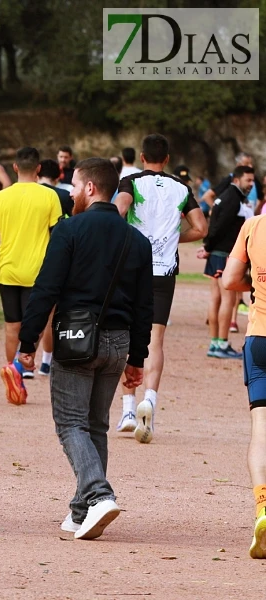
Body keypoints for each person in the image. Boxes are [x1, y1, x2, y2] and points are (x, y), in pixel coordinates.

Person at [18, 158, 153, 540]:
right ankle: (81, 512)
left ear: (91, 188)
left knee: (70, 424)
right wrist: (137, 358)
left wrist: (28, 341)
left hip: (78, 339)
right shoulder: (137, 240)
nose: (71, 193)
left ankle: (98, 494)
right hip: (119, 341)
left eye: (75, 186)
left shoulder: (70, 230)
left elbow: (47, 289)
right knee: (95, 425)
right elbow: (146, 306)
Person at [114, 134, 207, 443]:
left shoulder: (131, 182)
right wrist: (172, 237)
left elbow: (119, 209)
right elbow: (201, 228)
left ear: (142, 157)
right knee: (155, 338)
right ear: (167, 159)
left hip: (132, 268)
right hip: (164, 270)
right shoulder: (181, 189)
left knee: (126, 334)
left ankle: (128, 409)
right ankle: (149, 400)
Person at [0, 147, 63, 403]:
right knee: (37, 325)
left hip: (7, 271)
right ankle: (20, 366)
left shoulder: (1, 197)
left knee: (11, 327)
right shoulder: (49, 197)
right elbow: (57, 236)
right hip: (38, 272)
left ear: (14, 168)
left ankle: (12, 369)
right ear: (38, 168)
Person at [221, 211, 266, 558]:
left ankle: (262, 506)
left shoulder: (253, 226)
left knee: (260, 430)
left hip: (259, 339)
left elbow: (230, 280)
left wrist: (253, 287)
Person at [200, 165, 255, 359]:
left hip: (217, 252)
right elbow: (221, 226)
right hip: (225, 254)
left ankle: (215, 343)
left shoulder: (225, 196)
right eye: (248, 180)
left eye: (252, 180)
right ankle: (222, 344)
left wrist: (208, 246)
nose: (251, 184)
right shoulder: (233, 199)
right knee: (228, 299)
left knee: (215, 298)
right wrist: (208, 246)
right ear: (236, 180)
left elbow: (214, 224)